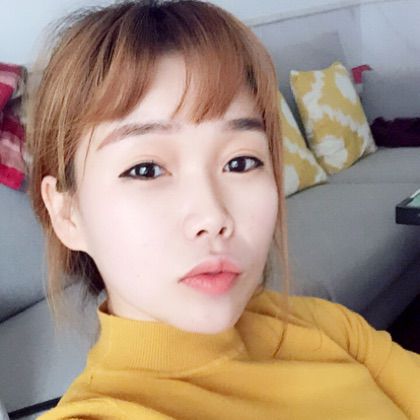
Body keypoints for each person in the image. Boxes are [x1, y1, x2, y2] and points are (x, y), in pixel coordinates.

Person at [25, 1, 419, 418]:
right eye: (146, 170)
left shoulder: (325, 324)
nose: (213, 217)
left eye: (241, 162)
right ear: (67, 214)